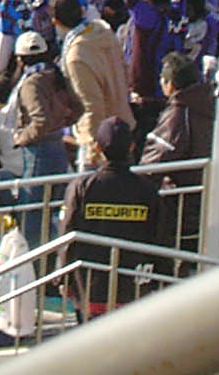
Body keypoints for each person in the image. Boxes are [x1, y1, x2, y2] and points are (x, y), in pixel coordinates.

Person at [56, 118, 169, 317]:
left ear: (98, 148)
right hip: (134, 285)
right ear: (132, 146)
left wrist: (63, 278)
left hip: (90, 286)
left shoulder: (82, 186)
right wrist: (163, 280)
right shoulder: (147, 190)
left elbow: (67, 235)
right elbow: (161, 238)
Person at [7, 29, 78, 247]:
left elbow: (39, 121)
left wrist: (21, 137)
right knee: (51, 215)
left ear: (20, 59)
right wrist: (60, 125)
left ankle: (34, 269)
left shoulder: (31, 82)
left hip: (39, 153)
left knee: (32, 218)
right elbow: (77, 107)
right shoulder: (54, 74)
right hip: (58, 149)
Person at [54, 0, 129, 167]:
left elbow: (91, 106)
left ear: (56, 22)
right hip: (123, 126)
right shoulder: (105, 33)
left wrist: (91, 150)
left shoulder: (75, 56)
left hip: (100, 144)